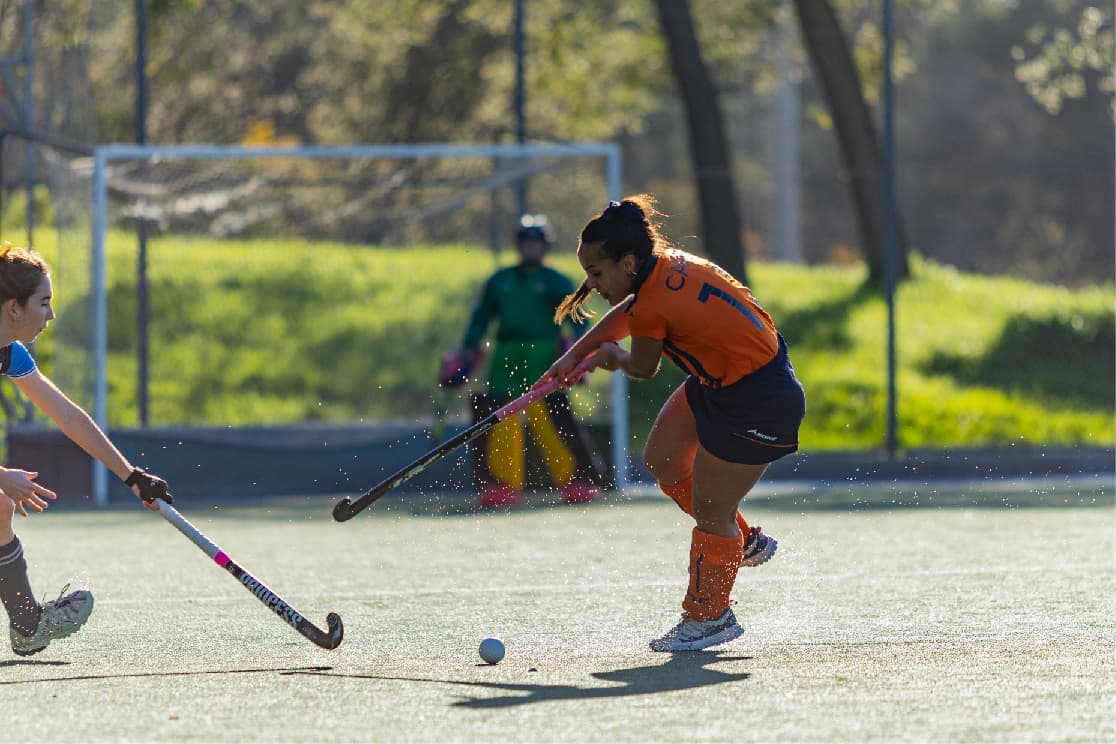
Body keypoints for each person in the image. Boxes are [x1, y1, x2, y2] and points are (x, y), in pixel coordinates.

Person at [539, 195, 806, 652]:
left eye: (597, 273)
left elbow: (641, 366)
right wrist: (572, 356)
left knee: (709, 512)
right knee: (663, 460)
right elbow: (628, 314)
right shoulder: (662, 267)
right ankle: (742, 540)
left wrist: (608, 358)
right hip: (717, 383)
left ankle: (709, 617)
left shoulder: (652, 302)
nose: (592, 284)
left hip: (759, 401)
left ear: (627, 261)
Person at [0, 243, 173, 656]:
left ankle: (28, 627)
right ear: (13, 308)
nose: (51, 315)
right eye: (44, 303)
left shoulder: (10, 354)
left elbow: (69, 417)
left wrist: (131, 477)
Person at [448, 214, 605, 510]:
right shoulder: (501, 281)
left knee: (552, 417)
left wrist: (581, 349)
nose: (531, 248)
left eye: (536, 243)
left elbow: (577, 319)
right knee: (501, 416)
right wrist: (466, 349)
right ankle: (501, 485)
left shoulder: (556, 281)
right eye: (526, 242)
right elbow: (481, 317)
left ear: (545, 246)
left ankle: (576, 481)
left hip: (545, 355)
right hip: (506, 354)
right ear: (519, 245)